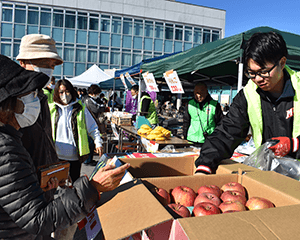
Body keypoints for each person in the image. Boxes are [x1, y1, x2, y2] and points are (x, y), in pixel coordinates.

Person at [0, 54, 130, 240]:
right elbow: (39, 219)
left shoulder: (11, 138)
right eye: (28, 94)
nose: (34, 99)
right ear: (9, 103)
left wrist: (35, 184)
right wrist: (92, 187)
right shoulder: (5, 148)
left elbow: (13, 194)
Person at [194, 31, 300, 174]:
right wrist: (205, 164)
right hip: (269, 175)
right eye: (252, 73)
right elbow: (227, 132)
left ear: (282, 63)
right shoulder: (248, 94)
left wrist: (295, 144)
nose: (258, 79)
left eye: (263, 71)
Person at [16, 34, 63, 202]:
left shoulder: (42, 98)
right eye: (42, 64)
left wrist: (56, 169)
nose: (48, 70)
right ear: (22, 62)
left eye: (51, 66)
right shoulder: (10, 102)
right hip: (20, 196)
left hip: (45, 188)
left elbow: (46, 140)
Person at [49, 79, 103, 182]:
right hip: (56, 156)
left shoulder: (81, 109)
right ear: (57, 93)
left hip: (75, 156)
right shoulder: (52, 109)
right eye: (61, 92)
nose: (65, 95)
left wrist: (98, 142)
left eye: (67, 91)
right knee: (57, 186)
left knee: (74, 183)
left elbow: (93, 127)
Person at [183, 82, 223, 147]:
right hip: (191, 140)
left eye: (201, 93)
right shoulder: (190, 104)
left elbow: (220, 123)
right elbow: (186, 122)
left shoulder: (214, 105)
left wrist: (216, 138)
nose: (198, 96)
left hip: (209, 140)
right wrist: (185, 136)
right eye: (196, 93)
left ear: (206, 92)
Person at [83, 84, 106, 165]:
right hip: (89, 122)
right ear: (94, 93)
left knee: (91, 142)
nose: (98, 95)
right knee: (90, 142)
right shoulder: (88, 100)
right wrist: (103, 106)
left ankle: (89, 159)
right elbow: (96, 109)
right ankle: (87, 160)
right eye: (98, 93)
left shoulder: (89, 99)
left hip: (90, 121)